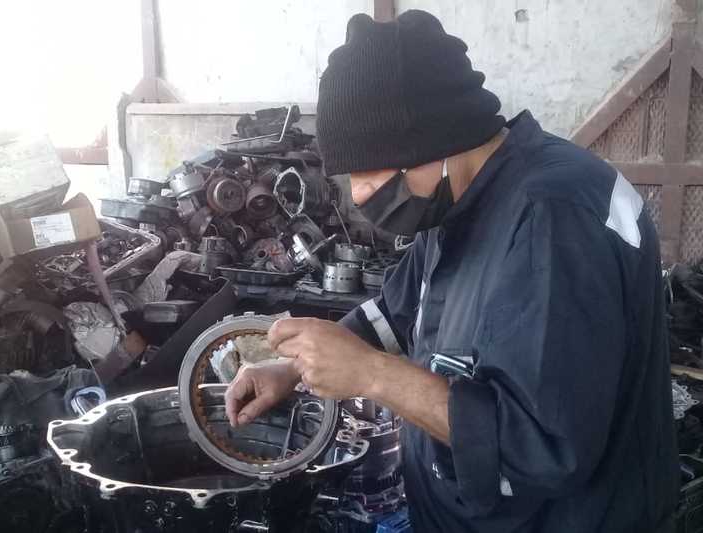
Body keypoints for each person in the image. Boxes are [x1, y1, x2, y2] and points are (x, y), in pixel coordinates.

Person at [225, 10, 679, 533]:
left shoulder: (550, 217)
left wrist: (372, 375)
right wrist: (297, 368)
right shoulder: (462, 199)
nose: (359, 194)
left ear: (431, 140)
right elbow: (396, 314)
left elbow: (540, 449)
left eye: (368, 169)